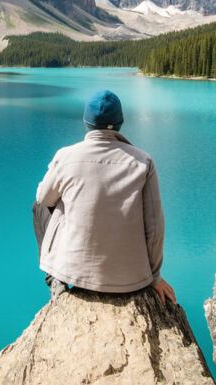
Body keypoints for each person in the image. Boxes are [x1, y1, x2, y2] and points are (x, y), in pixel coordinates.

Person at [32, 90, 177, 305]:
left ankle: (55, 278)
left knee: (40, 206)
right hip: (132, 280)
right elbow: (155, 226)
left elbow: (44, 198)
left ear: (86, 122)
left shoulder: (67, 155)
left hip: (74, 274)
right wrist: (154, 277)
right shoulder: (144, 161)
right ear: (120, 122)